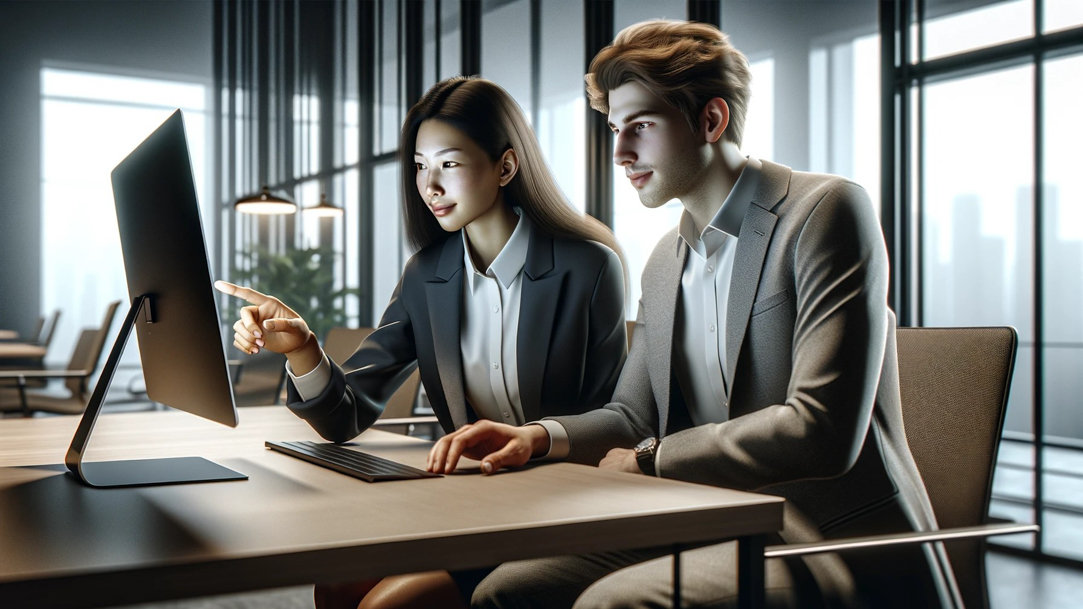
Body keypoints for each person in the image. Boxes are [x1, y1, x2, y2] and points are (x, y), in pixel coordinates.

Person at [427, 20, 958, 609]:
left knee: (611, 605)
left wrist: (656, 461)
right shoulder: (663, 261)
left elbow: (822, 430)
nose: (620, 152)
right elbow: (633, 415)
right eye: (614, 129)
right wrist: (538, 437)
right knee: (506, 592)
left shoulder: (826, 211)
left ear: (711, 120)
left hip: (823, 540)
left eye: (642, 127)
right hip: (706, 516)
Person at [217, 76, 628, 609]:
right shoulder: (426, 276)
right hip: (470, 502)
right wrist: (302, 348)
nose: (429, 185)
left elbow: (619, 420)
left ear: (505, 166)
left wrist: (536, 440)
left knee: (388, 605)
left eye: (450, 164)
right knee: (336, 585)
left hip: (561, 507)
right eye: (419, 165)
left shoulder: (588, 267)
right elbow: (345, 417)